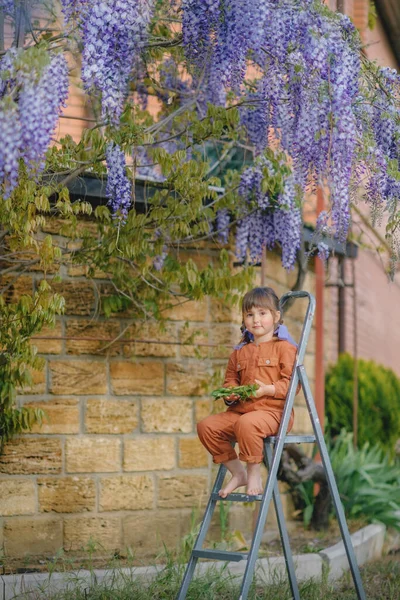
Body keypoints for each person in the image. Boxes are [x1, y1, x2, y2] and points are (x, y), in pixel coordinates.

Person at [197, 286, 298, 497]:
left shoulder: (285, 348)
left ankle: (254, 472)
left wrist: (268, 389)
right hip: (241, 412)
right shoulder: (239, 352)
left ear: (276, 316)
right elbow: (230, 381)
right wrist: (231, 393)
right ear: (244, 319)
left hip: (273, 413)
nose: (256, 320)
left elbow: (293, 384)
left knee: (248, 423)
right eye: (250, 314)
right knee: (206, 426)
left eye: (263, 313)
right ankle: (238, 473)